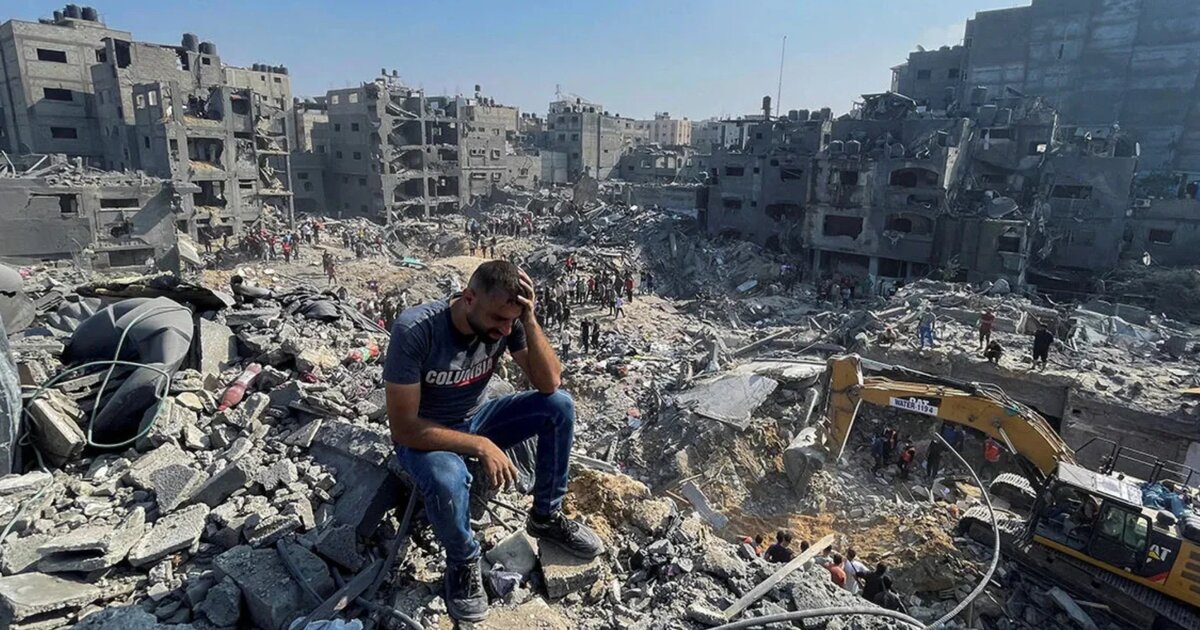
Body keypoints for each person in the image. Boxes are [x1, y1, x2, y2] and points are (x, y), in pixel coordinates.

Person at [383, 261, 603, 622]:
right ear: (468, 298)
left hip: (477, 418)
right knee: (447, 478)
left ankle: (546, 517)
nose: (504, 330)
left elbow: (549, 383)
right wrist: (480, 446)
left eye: (510, 321)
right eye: (498, 319)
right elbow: (403, 429)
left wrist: (529, 319)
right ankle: (463, 561)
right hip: (427, 433)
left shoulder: (508, 322)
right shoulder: (417, 330)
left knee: (559, 406)